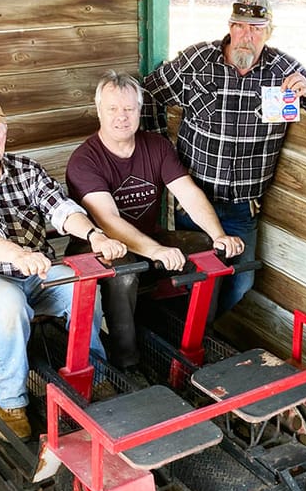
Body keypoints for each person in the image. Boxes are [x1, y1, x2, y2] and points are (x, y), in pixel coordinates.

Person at [0, 96, 127, 440]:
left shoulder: (27, 169)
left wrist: (94, 234)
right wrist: (18, 255)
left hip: (35, 272)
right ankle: (10, 401)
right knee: (9, 306)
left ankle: (93, 376)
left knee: (83, 287)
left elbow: (61, 209)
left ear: (5, 133)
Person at [142, 0, 306, 314]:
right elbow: (149, 91)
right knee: (194, 281)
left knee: (239, 283)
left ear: (269, 32)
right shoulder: (197, 61)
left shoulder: (284, 70)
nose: (246, 36)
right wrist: (159, 151)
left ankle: (203, 334)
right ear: (230, 26)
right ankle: (186, 342)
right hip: (195, 201)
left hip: (243, 208)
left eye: (256, 28)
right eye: (240, 26)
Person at [66, 71, 244, 369]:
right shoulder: (85, 160)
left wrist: (218, 235)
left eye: (129, 109)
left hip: (148, 239)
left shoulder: (157, 146)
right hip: (99, 249)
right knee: (124, 273)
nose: (121, 117)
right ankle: (127, 361)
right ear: (99, 111)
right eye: (112, 109)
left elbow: (187, 192)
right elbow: (108, 220)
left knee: (205, 253)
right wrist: (156, 251)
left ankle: (189, 341)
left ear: (139, 110)